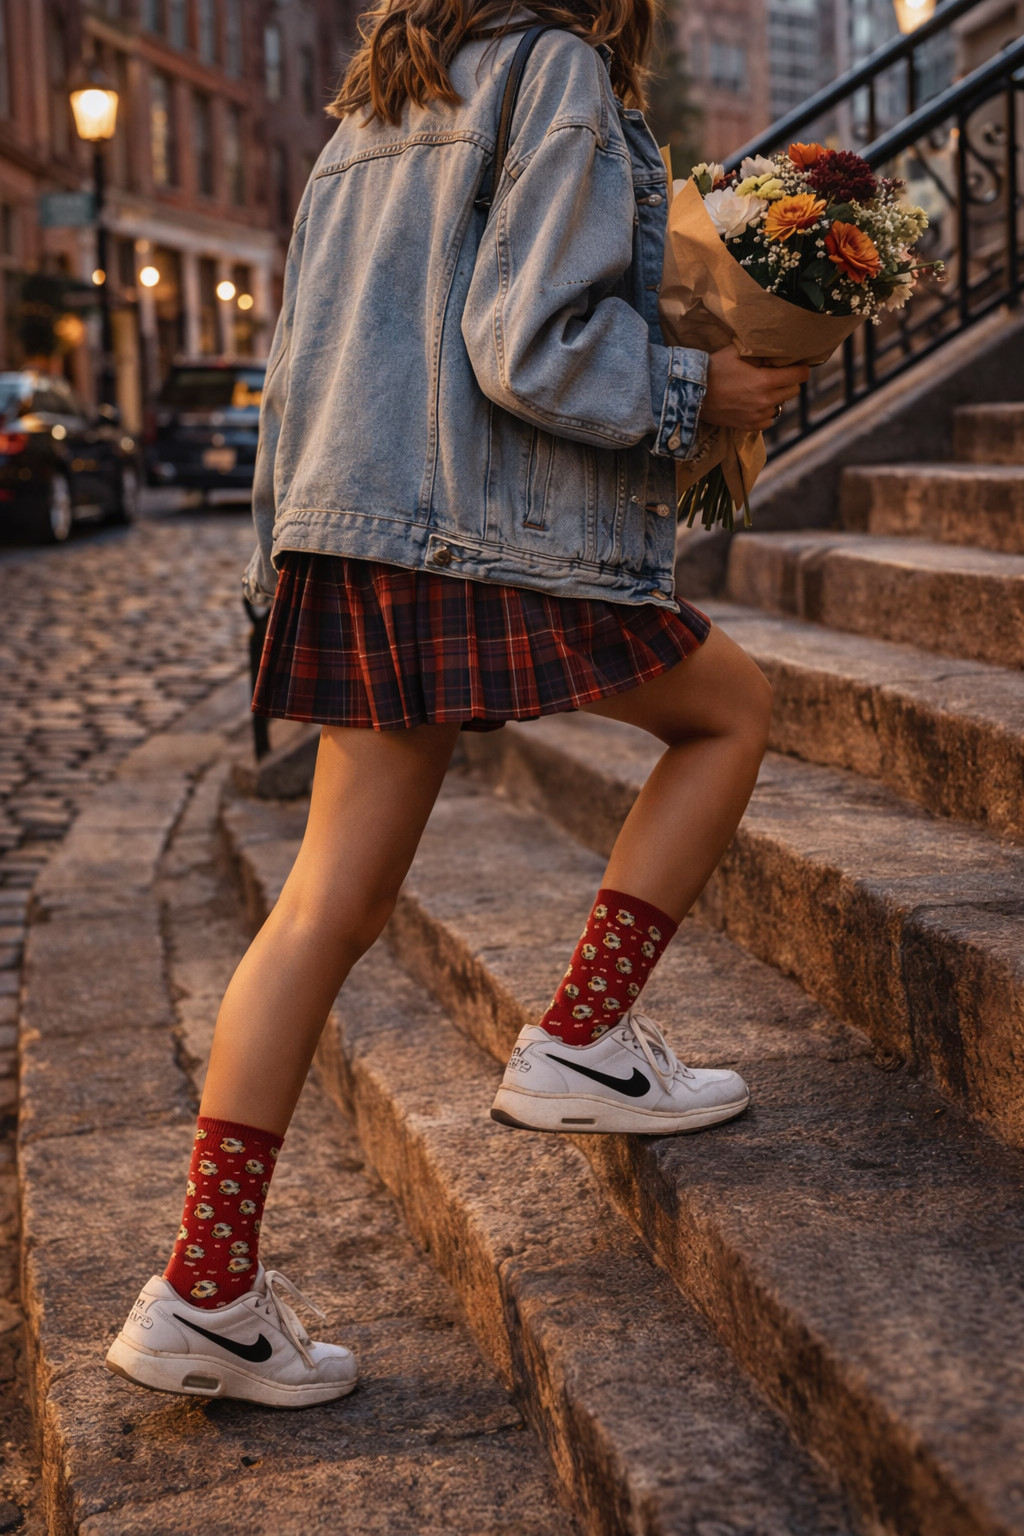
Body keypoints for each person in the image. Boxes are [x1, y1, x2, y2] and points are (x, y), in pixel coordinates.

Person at [106, 0, 808, 1408]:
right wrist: (698, 390)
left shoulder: (374, 102)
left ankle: (203, 1287)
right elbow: (527, 344)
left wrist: (275, 571)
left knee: (325, 906)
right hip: (471, 527)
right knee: (729, 710)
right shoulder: (554, 68)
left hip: (348, 533)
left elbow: (298, 364)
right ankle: (584, 1037)